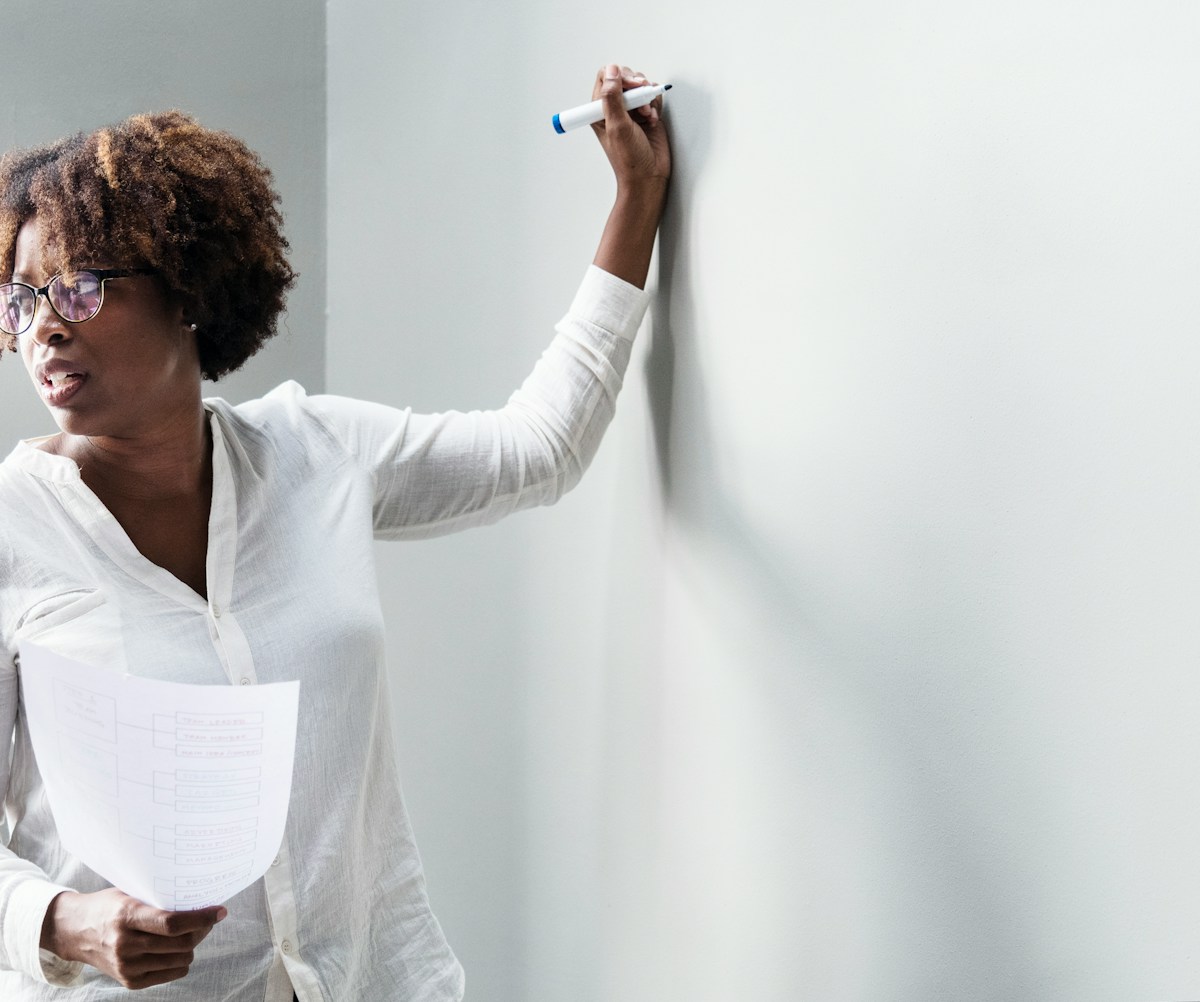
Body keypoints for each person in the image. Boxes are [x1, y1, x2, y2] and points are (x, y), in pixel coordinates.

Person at [0, 63, 670, 1000]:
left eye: (77, 288)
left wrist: (636, 200)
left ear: (187, 288)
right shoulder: (12, 532)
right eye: (22, 299)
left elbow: (538, 450)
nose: (43, 329)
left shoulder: (313, 450)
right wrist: (62, 921)